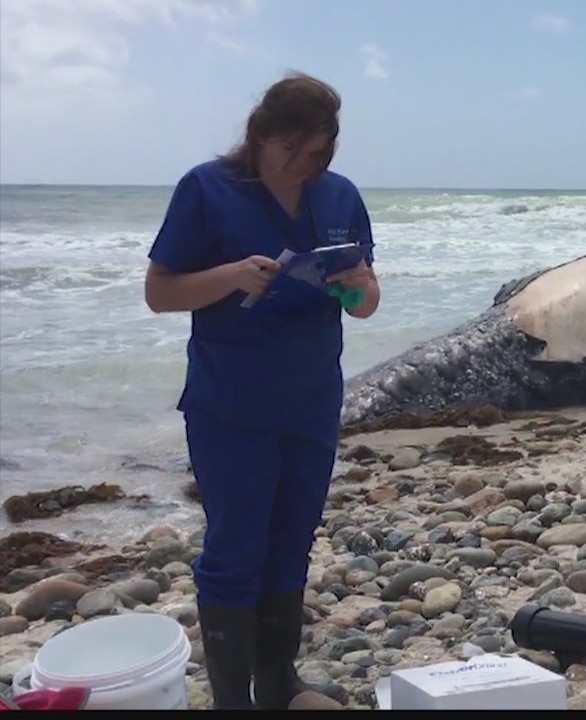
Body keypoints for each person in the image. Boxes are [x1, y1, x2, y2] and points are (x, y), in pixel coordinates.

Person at [143, 72, 381, 710]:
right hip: (231, 405)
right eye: (294, 151)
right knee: (235, 546)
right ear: (260, 136)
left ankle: (278, 682)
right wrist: (229, 275)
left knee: (292, 540)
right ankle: (232, 701)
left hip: (311, 400)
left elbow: (364, 305)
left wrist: (357, 283)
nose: (306, 167)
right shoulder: (206, 188)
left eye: (320, 154)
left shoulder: (339, 196)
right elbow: (159, 293)